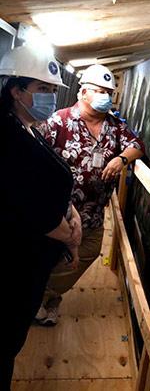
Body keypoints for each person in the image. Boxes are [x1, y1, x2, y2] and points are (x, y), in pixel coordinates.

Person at [36, 64, 145, 325]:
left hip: (94, 213)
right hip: (60, 212)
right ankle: (46, 302)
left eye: (109, 91)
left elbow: (137, 145)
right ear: (83, 92)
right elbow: (35, 155)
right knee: (49, 254)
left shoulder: (114, 126)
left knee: (88, 251)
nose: (105, 95)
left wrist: (121, 158)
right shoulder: (59, 121)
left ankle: (43, 294)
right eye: (99, 90)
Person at [0, 45, 82, 387]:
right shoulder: (6, 136)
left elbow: (48, 183)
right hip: (9, 268)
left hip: (27, 269)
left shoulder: (28, 129)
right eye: (42, 89)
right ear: (16, 91)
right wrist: (66, 234)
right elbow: (21, 202)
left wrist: (70, 210)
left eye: (52, 90)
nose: (50, 96)